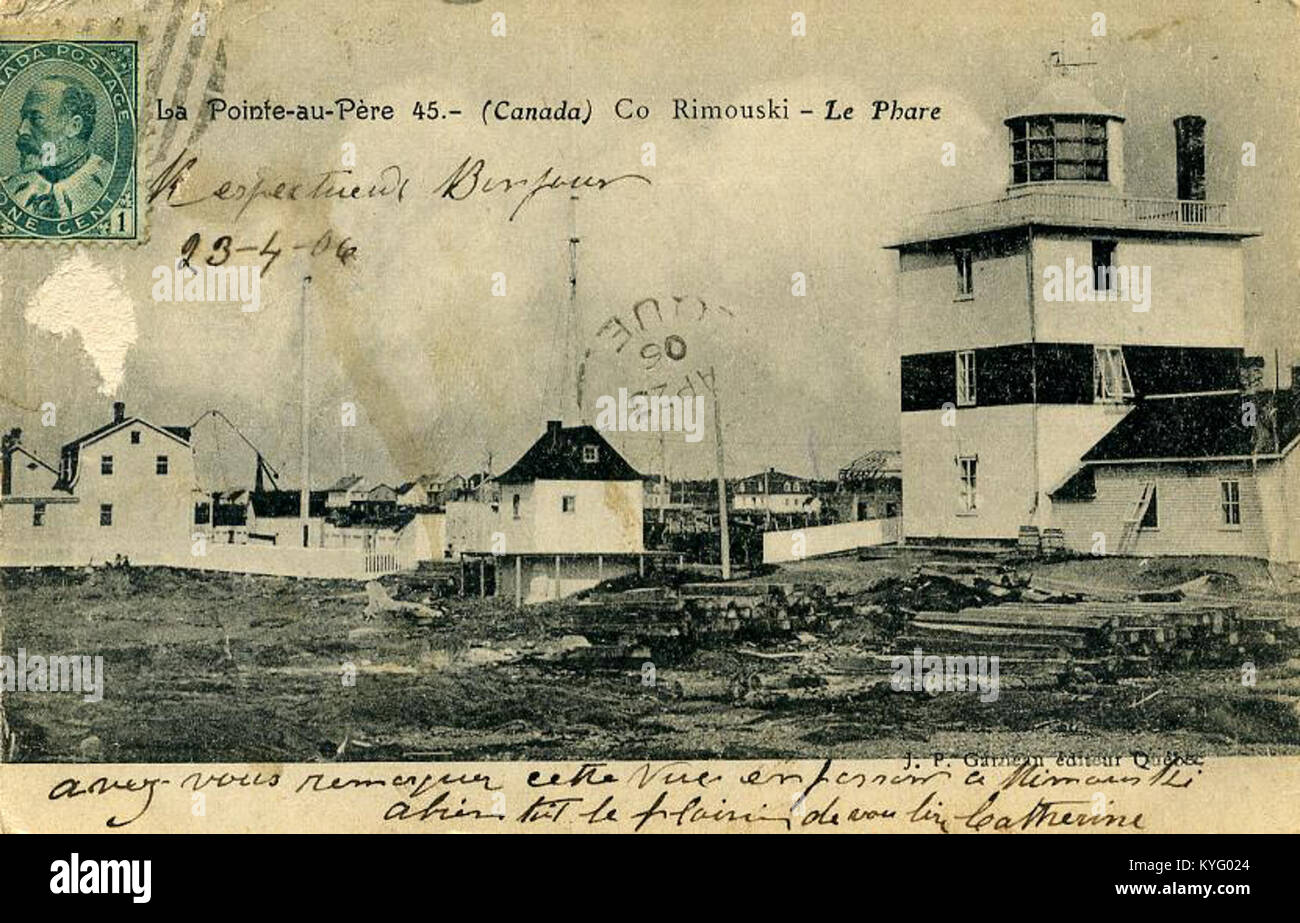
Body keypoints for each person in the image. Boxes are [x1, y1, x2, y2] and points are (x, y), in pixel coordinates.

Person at [3, 74, 111, 219]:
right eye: (24, 117)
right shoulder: (9, 189)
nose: (21, 130)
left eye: (36, 118)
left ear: (74, 126)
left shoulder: (110, 184)